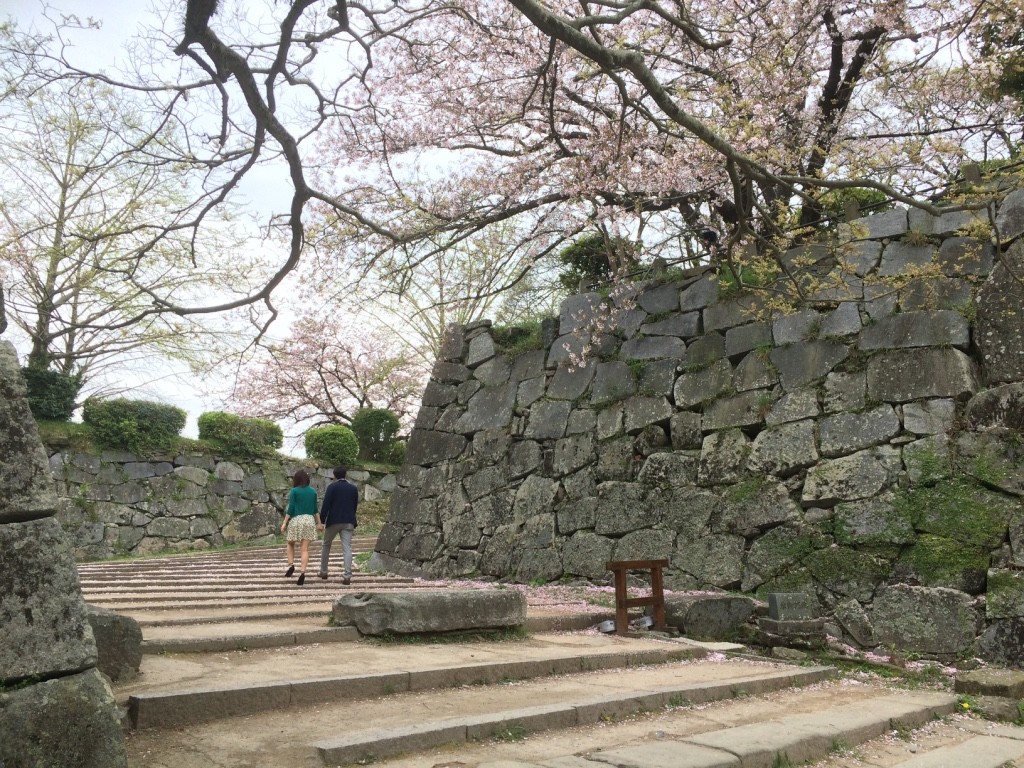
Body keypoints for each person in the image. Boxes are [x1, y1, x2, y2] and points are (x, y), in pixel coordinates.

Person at [316, 466, 358, 585]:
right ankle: (347, 575)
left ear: (334, 475)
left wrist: (322, 521)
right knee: (347, 548)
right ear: (346, 475)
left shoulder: (332, 487)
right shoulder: (353, 488)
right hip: (349, 521)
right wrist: (351, 516)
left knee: (326, 545)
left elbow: (326, 505)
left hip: (334, 521)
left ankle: (323, 571)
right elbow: (354, 505)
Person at [281, 468, 319, 585]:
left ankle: (291, 564)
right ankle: (302, 572)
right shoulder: (313, 491)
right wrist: (319, 523)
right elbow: (315, 510)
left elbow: (291, 508)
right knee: (304, 549)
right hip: (309, 520)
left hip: (297, 520)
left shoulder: (294, 491)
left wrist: (284, 523)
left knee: (290, 542)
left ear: (296, 480)